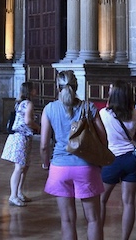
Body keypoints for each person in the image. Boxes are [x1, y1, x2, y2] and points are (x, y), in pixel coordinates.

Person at [39, 70, 106, 240]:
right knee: (93, 220)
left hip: (59, 167)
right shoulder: (88, 107)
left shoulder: (49, 109)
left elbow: (44, 145)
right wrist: (100, 160)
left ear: (57, 87)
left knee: (67, 221)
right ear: (76, 87)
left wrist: (46, 164)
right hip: (86, 166)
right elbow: (103, 137)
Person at [99, 80, 136, 240]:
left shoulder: (104, 114)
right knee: (129, 202)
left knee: (101, 200)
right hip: (132, 159)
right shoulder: (135, 113)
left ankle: (99, 235)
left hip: (112, 159)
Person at [1, 81, 40, 207]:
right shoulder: (28, 104)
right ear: (30, 90)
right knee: (19, 167)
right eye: (34, 89)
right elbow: (28, 121)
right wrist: (39, 127)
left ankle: (19, 192)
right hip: (21, 137)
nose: (36, 90)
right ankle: (13, 195)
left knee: (24, 166)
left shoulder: (20, 103)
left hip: (23, 137)